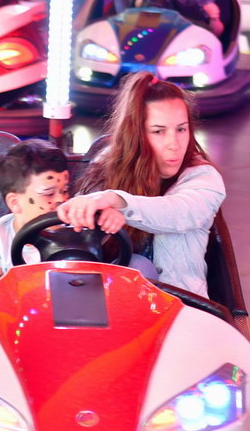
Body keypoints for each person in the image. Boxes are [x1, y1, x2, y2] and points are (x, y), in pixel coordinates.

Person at [56, 71, 226, 298]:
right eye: (158, 131)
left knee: (138, 266)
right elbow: (81, 235)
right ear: (136, 134)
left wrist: (118, 202)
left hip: (179, 304)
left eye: (181, 129)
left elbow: (177, 212)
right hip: (105, 300)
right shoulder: (109, 163)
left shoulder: (204, 178)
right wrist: (96, 215)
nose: (174, 144)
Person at [0, 139, 125, 280]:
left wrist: (108, 220)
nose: (61, 200)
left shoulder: (77, 227)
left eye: (64, 191)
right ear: (15, 203)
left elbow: (103, 252)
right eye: (49, 194)